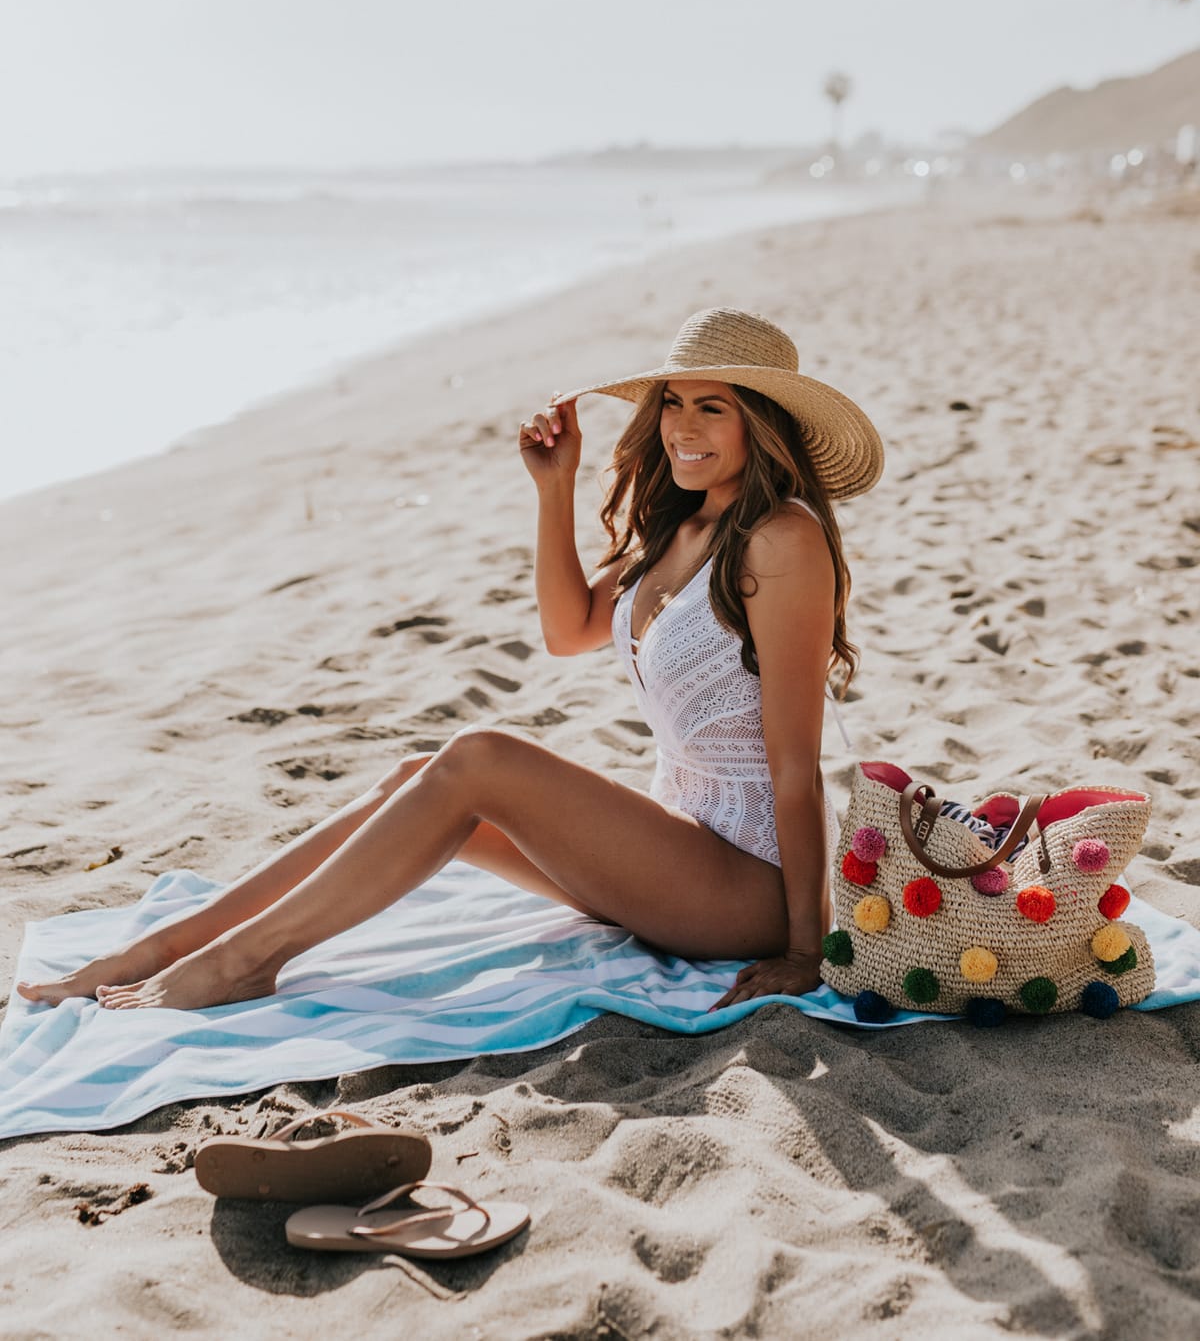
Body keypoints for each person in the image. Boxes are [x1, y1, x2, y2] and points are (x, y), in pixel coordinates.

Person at [17, 308, 882, 1015]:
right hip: (677, 850)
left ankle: (244, 962)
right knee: (412, 780)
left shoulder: (783, 540)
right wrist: (554, 487)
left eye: (713, 408)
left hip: (748, 885)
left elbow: (794, 767)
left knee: (479, 757)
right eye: (673, 404)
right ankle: (166, 947)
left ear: (760, 424)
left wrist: (806, 949)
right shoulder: (683, 527)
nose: (683, 428)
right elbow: (571, 626)